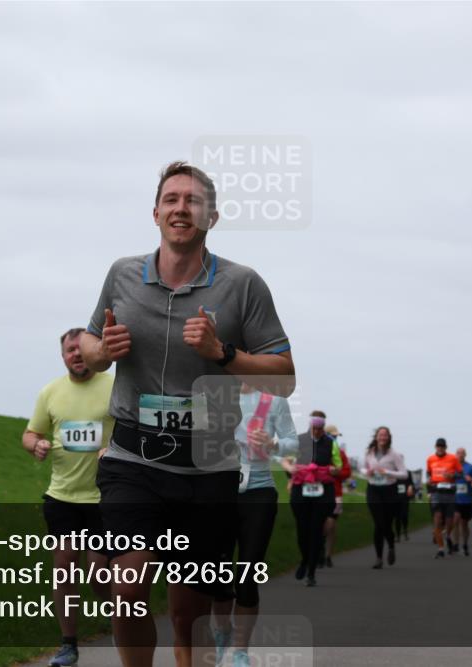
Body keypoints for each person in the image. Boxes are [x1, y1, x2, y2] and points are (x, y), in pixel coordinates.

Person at [79, 161, 294, 667]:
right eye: (172, 199)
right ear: (155, 212)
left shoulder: (243, 285)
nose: (181, 208)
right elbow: (88, 345)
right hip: (134, 457)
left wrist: (224, 354)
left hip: (206, 468)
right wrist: (100, 353)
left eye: (193, 201)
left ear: (211, 217)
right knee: (127, 588)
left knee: (186, 614)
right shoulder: (122, 274)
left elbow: (284, 376)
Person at [22, 328, 115, 666]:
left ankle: (120, 619)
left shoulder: (115, 386)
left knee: (99, 573)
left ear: (94, 351)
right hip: (63, 496)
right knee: (64, 569)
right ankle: (68, 643)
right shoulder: (51, 392)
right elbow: (31, 433)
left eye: (81, 349)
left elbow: (137, 429)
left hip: (106, 497)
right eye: (69, 350)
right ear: (63, 356)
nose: (76, 354)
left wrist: (114, 449)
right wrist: (37, 444)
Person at [211, 382, 298, 667]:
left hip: (259, 491)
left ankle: (240, 650)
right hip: (221, 491)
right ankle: (222, 630)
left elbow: (292, 442)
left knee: (247, 573)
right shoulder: (212, 398)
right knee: (219, 574)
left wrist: (273, 443)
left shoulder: (272, 402)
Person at [286, 410, 340, 586]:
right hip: (301, 489)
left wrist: (334, 469)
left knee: (316, 530)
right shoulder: (299, 440)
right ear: (310, 425)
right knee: (302, 530)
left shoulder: (331, 443)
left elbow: (338, 465)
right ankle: (305, 560)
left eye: (320, 428)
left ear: (323, 426)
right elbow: (286, 459)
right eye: (314, 427)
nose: (316, 431)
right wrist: (290, 468)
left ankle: (311, 572)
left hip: (323, 491)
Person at [364, 426, 408, 568]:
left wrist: (387, 472)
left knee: (386, 523)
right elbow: (362, 467)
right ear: (376, 436)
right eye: (380, 435)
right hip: (373, 490)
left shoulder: (393, 455)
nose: (382, 437)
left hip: (389, 490)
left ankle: (391, 545)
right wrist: (367, 472)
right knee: (378, 523)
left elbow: (404, 474)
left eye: (385, 435)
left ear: (389, 438)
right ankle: (378, 558)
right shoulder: (369, 452)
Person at [320, 424, 351, 568]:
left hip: (336, 493)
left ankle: (328, 555)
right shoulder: (317, 450)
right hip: (318, 492)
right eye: (332, 435)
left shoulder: (340, 452)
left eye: (336, 436)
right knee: (319, 524)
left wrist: (336, 472)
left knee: (331, 524)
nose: (334, 438)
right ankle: (319, 550)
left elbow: (347, 472)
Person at [425, 438, 462, 559]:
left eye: (442, 446)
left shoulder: (453, 458)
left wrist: (452, 475)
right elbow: (428, 475)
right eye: (438, 446)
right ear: (435, 447)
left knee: (449, 521)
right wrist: (429, 490)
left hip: (450, 492)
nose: (440, 448)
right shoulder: (430, 459)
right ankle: (440, 549)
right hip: (436, 492)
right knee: (437, 519)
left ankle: (447, 536)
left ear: (446, 447)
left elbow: (460, 474)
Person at [453, 447, 472, 556]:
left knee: (464, 524)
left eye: (462, 453)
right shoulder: (452, 467)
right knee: (456, 520)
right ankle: (456, 544)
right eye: (458, 453)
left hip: (467, 500)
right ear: (455, 454)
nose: (460, 455)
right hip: (455, 499)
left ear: (465, 455)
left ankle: (465, 544)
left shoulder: (471, 467)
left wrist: (471, 480)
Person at [393, 469, 415, 542]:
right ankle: (398, 536)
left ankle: (405, 531)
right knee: (397, 517)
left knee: (404, 515)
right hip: (395, 497)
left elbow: (411, 483)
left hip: (405, 497)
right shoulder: (392, 472)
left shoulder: (407, 472)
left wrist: (410, 487)